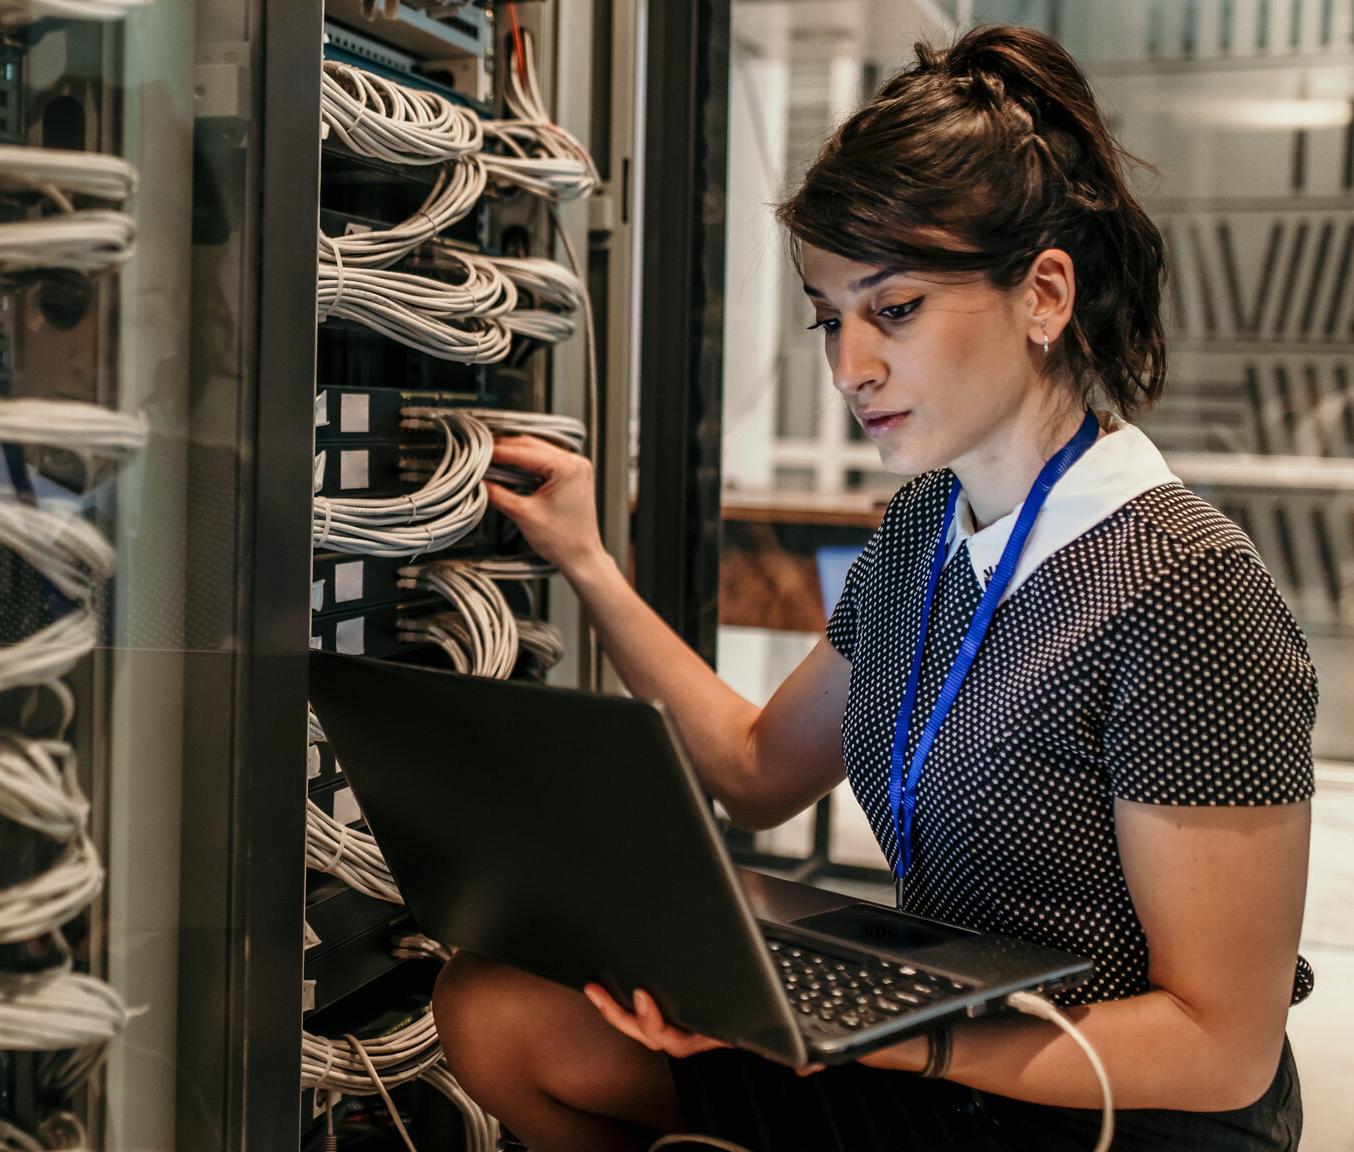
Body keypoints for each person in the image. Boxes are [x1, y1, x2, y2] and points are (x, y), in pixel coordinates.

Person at [432, 23, 1316, 1152]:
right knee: (497, 1007)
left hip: (1112, 1108)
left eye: (894, 310)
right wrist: (587, 562)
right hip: (942, 1059)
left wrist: (870, 1034)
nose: (851, 366)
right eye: (828, 319)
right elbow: (756, 775)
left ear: (1045, 295)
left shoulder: (1185, 590)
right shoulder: (921, 535)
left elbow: (1219, 1046)